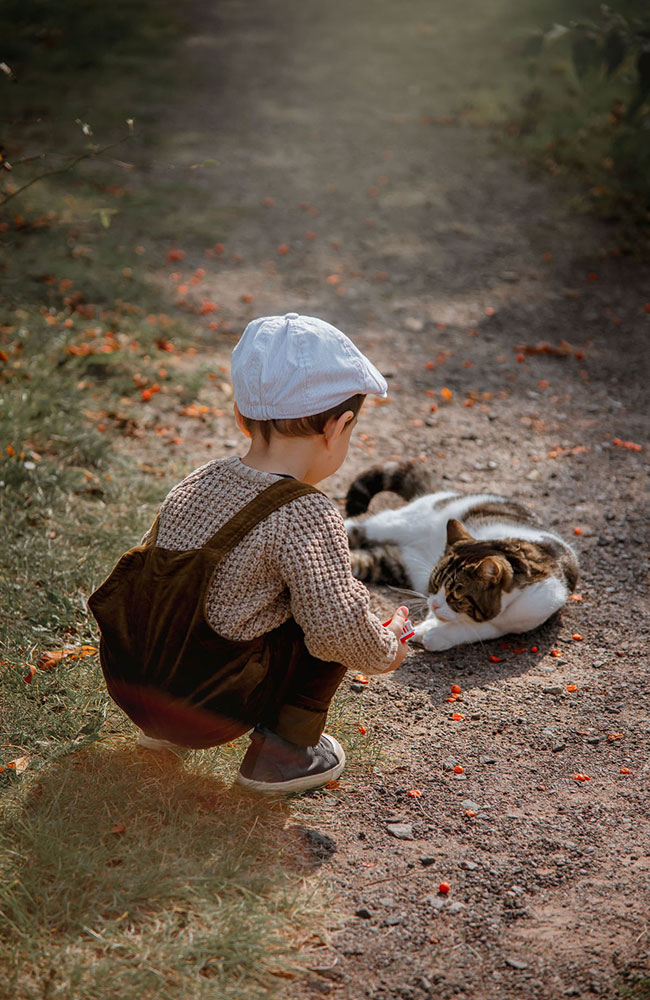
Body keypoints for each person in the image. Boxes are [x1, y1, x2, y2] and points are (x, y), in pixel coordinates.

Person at [88, 312, 410, 794]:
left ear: (242, 417)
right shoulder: (305, 512)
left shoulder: (197, 481)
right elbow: (338, 630)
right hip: (214, 708)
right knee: (332, 606)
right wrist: (388, 648)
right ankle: (283, 756)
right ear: (338, 427)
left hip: (136, 689)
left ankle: (159, 733)